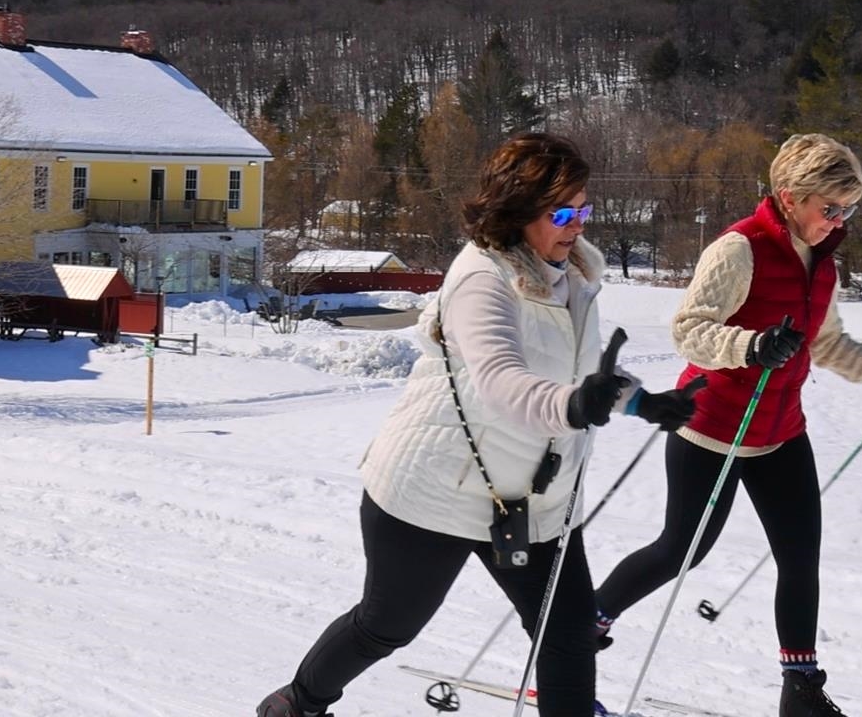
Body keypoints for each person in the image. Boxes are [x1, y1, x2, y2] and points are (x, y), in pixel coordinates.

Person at [258, 132, 702, 717]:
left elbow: (577, 373)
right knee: (385, 626)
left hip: (531, 501)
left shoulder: (573, 278)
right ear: (517, 210)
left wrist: (644, 404)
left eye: (583, 209)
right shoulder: (481, 279)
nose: (577, 226)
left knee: (566, 634)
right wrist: (573, 406)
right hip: (431, 493)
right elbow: (502, 381)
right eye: (562, 212)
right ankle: (297, 704)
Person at [591, 134, 862, 717]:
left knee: (800, 556)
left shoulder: (821, 261)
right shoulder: (738, 249)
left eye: (848, 209)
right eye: (829, 209)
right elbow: (689, 329)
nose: (838, 221)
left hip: (780, 431)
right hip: (713, 426)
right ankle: (580, 630)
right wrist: (752, 346)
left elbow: (825, 344)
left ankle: (799, 691)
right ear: (789, 197)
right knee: (683, 549)